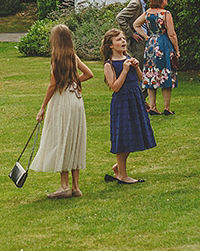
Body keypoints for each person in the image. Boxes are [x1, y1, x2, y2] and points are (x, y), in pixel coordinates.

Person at [31, 24, 94, 198]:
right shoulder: (73, 56)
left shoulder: (56, 58)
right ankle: (76, 186)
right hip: (76, 100)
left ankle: (64, 186)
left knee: (62, 139)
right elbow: (89, 73)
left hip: (62, 101)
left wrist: (42, 108)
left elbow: (52, 85)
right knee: (74, 138)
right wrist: (75, 82)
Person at [101, 29, 156, 184]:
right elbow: (115, 87)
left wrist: (136, 67)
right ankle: (122, 175)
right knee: (123, 137)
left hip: (135, 99)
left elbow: (140, 78)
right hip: (122, 102)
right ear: (111, 45)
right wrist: (124, 70)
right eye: (118, 40)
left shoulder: (129, 58)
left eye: (123, 39)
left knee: (133, 134)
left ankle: (119, 167)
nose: (123, 42)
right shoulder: (109, 64)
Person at [134, 0, 180, 115]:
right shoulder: (166, 14)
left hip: (151, 45)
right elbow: (171, 33)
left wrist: (146, 36)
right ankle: (167, 107)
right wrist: (176, 49)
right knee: (165, 72)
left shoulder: (147, 13)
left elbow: (136, 24)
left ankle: (153, 107)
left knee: (150, 74)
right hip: (164, 44)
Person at [116, 0, 153, 106]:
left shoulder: (143, 4)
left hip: (143, 39)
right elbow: (120, 17)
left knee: (145, 70)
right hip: (138, 42)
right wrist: (131, 34)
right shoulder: (135, 4)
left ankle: (141, 100)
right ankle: (138, 100)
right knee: (139, 70)